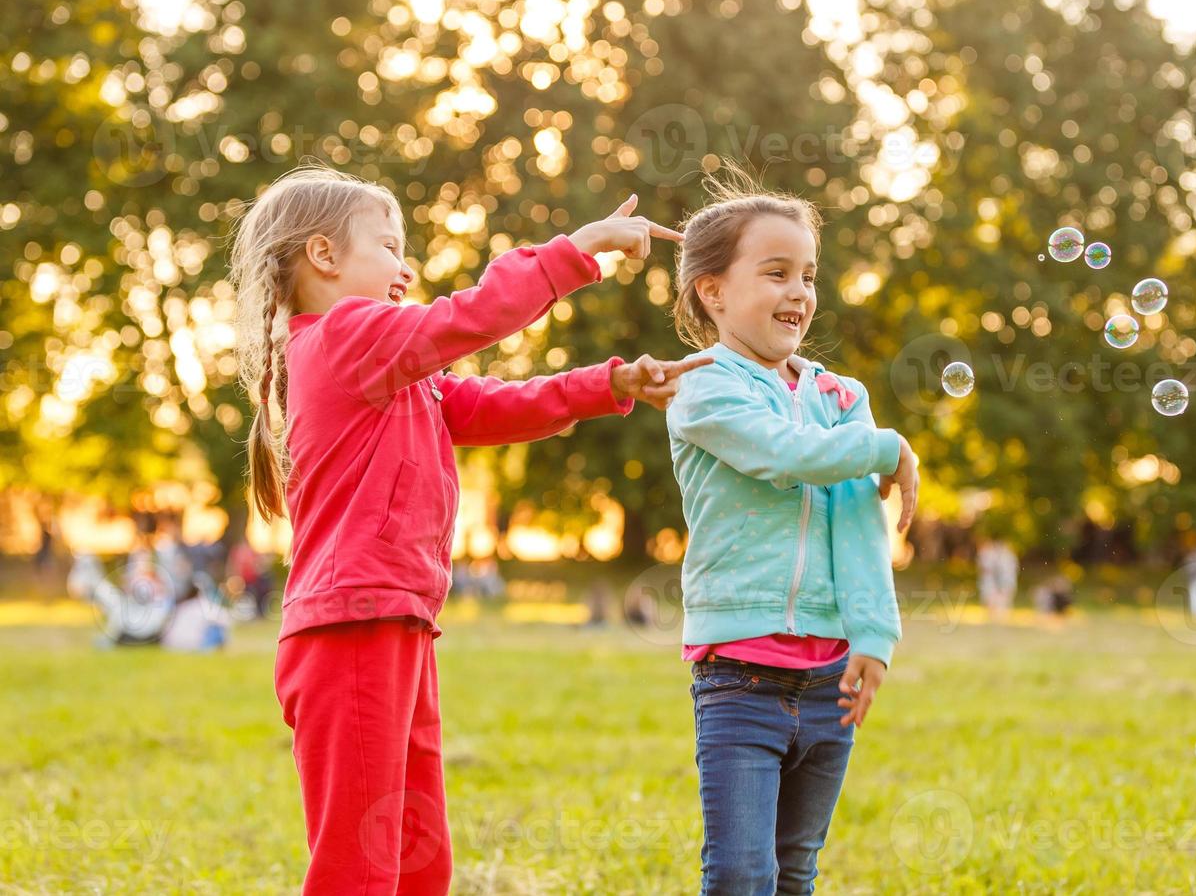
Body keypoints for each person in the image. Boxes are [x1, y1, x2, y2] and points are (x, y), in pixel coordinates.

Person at [231, 161, 708, 894]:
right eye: (388, 245)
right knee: (359, 870)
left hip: (394, 624)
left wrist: (607, 384)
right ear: (323, 255)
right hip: (352, 628)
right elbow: (469, 317)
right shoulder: (345, 337)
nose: (406, 264)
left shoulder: (390, 370)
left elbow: (487, 405)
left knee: (419, 861)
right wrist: (577, 249)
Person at [665, 170, 918, 893]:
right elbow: (785, 453)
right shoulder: (701, 385)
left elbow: (859, 519)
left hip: (828, 677)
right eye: (775, 273)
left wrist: (874, 635)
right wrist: (886, 446)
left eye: (807, 274)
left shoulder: (840, 395)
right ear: (712, 291)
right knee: (743, 870)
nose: (799, 293)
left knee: (796, 870)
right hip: (740, 677)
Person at [977, 536, 1020, 621]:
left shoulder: (1008, 556)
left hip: (1004, 580)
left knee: (1003, 599)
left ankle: (1002, 616)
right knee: (992, 599)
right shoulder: (988, 555)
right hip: (994, 581)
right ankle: (993, 617)